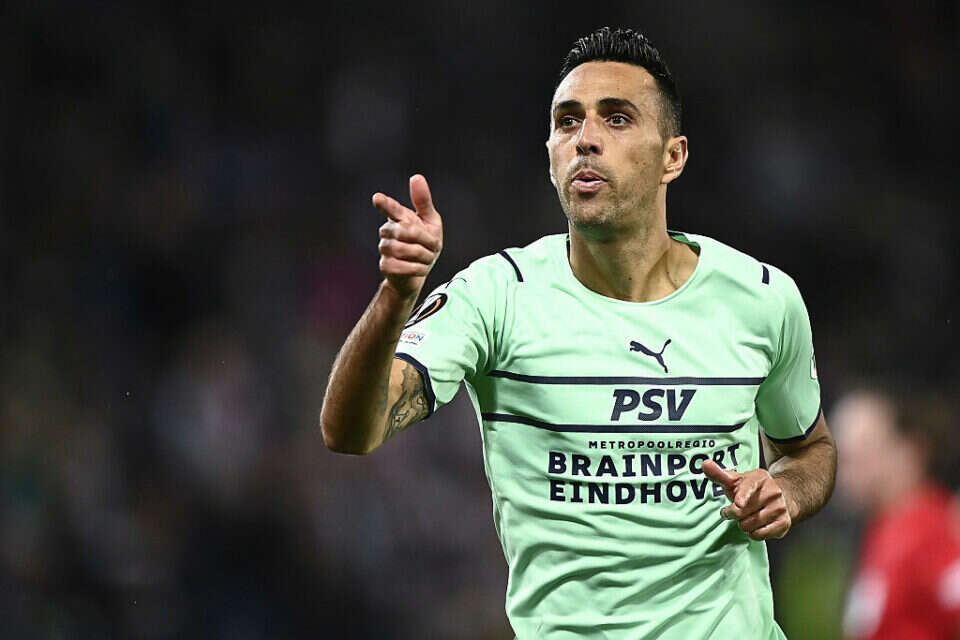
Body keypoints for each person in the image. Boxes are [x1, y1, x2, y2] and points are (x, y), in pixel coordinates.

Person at [321, 26, 837, 638]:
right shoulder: (496, 296)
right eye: (567, 122)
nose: (585, 139)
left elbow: (811, 452)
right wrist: (395, 297)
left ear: (673, 156)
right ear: (550, 154)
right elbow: (350, 431)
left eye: (617, 119)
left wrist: (784, 492)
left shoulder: (761, 298)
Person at [833, 386, 960, 639]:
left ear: (908, 450)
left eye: (862, 452)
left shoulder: (933, 532)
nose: (844, 471)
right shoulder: (882, 533)